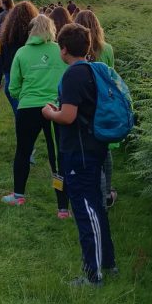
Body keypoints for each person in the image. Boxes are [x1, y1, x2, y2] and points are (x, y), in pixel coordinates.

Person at [42, 23, 117, 286]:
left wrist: (50, 112)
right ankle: (108, 263)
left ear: (63, 50)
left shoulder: (74, 75)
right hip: (95, 145)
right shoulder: (95, 69)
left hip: (80, 151)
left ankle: (92, 275)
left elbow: (68, 116)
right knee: (96, 206)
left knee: (86, 211)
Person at [2, 14, 69, 217]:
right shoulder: (60, 51)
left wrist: (23, 95)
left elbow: (13, 86)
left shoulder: (22, 52)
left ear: (31, 31)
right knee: (57, 155)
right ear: (52, 30)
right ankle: (62, 207)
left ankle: (19, 195)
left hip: (28, 107)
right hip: (55, 108)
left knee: (23, 151)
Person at [75, 9, 117, 208]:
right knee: (104, 149)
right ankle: (107, 191)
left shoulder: (76, 49)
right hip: (102, 104)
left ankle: (89, 190)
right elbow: (112, 77)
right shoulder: (106, 49)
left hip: (81, 102)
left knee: (84, 146)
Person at [0, 0, 38, 115]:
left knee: (20, 115)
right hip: (29, 77)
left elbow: (4, 62)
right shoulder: (33, 37)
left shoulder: (7, 37)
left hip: (11, 77)